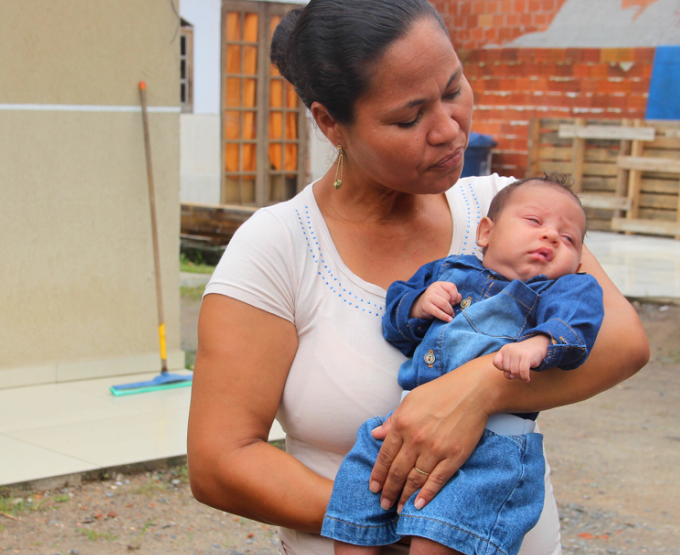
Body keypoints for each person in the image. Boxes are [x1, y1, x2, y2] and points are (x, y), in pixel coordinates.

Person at [186, 1, 650, 554]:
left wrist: (475, 391)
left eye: (453, 89)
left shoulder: (509, 213)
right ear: (331, 123)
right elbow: (220, 461)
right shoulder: (279, 246)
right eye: (409, 118)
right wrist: (417, 524)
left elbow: (622, 340)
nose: (449, 129)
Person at [322, 174, 604, 555]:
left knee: (440, 534)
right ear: (486, 232)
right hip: (406, 425)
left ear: (577, 264)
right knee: (356, 495)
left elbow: (578, 323)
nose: (551, 236)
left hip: (493, 449)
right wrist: (419, 304)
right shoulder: (447, 271)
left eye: (568, 238)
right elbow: (395, 320)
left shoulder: (563, 289)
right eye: (534, 221)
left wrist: (541, 343)